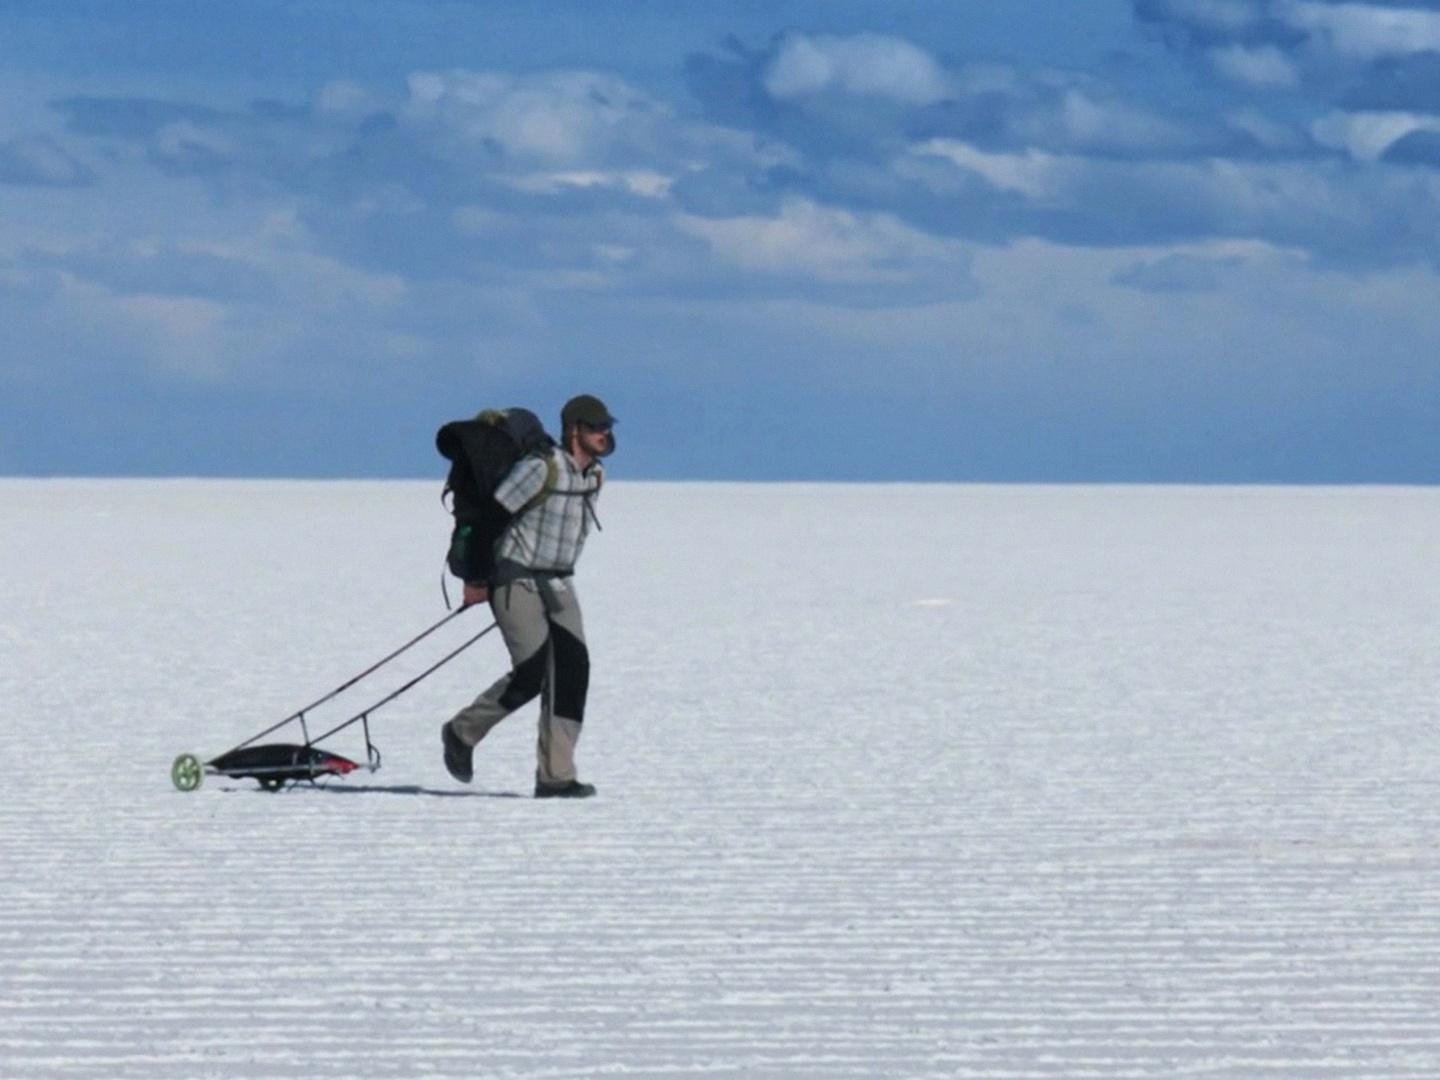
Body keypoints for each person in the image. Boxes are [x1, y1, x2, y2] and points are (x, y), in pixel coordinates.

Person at [441, 394, 615, 798]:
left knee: (573, 672)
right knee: (533, 670)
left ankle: (556, 777)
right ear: (574, 430)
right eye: (595, 427)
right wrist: (478, 579)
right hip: (514, 577)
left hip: (559, 581)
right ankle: (461, 732)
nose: (604, 435)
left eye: (607, 427)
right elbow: (489, 520)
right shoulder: (541, 469)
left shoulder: (595, 476)